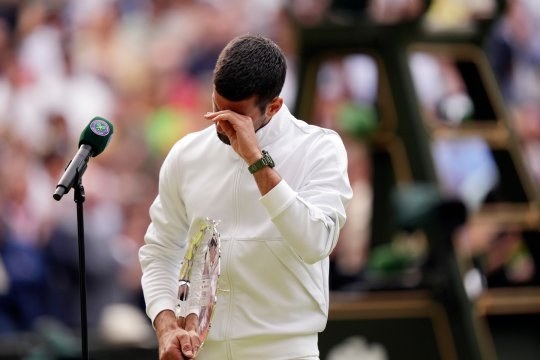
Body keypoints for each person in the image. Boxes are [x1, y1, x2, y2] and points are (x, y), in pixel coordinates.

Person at [139, 34, 352, 360]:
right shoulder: (187, 154)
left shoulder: (319, 148)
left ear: (275, 105)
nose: (222, 125)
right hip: (202, 353)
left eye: (236, 116)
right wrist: (166, 326)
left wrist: (257, 162)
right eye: (216, 107)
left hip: (286, 353)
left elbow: (316, 242)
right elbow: (160, 250)